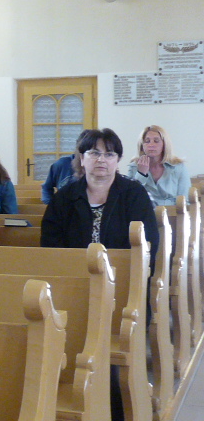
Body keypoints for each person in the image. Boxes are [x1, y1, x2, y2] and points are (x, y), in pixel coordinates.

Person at [40, 128, 159, 421]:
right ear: (82, 158)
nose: (101, 160)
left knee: (109, 361)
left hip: (123, 294)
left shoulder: (133, 194)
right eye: (93, 153)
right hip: (74, 291)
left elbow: (148, 249)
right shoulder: (65, 198)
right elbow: (50, 250)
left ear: (118, 160)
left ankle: (115, 412)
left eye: (109, 154)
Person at [127, 125, 189, 206]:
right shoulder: (134, 167)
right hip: (145, 212)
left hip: (173, 211)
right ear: (142, 145)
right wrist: (141, 174)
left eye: (156, 141)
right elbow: (130, 199)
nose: (151, 144)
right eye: (147, 141)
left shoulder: (178, 167)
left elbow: (185, 201)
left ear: (164, 144)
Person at [41, 130, 90, 204]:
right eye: (82, 150)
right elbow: (46, 188)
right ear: (77, 147)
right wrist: (51, 205)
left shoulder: (97, 167)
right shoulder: (61, 164)